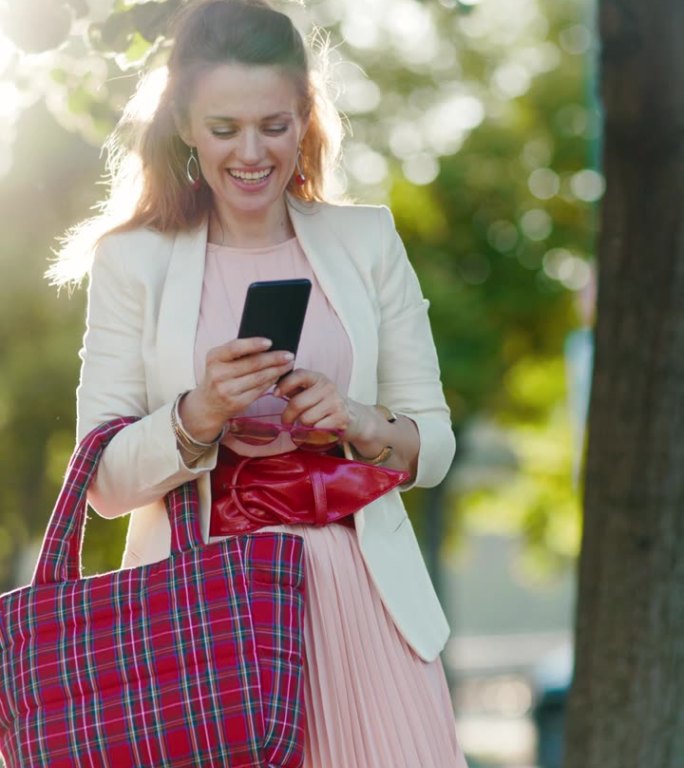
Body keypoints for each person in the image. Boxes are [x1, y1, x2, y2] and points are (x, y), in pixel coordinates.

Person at [55, 0, 468, 765]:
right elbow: (103, 485)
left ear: (306, 116)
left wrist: (361, 421)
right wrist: (197, 414)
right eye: (224, 129)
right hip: (204, 627)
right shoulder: (133, 262)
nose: (252, 152)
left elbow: (432, 443)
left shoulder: (367, 239)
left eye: (274, 126)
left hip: (365, 614)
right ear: (184, 124)